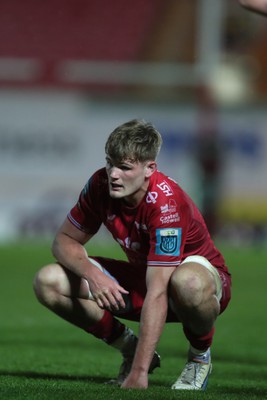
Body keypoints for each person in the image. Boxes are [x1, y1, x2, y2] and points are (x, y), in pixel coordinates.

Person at [33, 119, 231, 390]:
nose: (113, 173)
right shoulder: (100, 185)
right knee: (48, 281)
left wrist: (139, 374)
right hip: (149, 276)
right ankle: (128, 347)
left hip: (196, 281)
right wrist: (93, 275)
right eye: (110, 163)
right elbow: (64, 241)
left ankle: (199, 357)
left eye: (124, 167)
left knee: (187, 283)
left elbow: (159, 290)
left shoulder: (166, 205)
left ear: (150, 168)